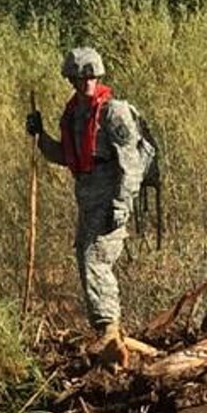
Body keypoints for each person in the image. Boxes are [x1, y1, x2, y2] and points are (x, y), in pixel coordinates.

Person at [26, 47, 147, 368]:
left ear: (99, 76)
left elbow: (131, 164)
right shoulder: (75, 115)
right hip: (88, 198)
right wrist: (40, 138)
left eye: (91, 76)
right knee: (85, 257)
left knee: (95, 260)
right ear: (71, 80)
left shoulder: (114, 112)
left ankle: (109, 331)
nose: (86, 83)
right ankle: (110, 334)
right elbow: (66, 156)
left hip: (110, 198)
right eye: (80, 78)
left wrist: (122, 205)